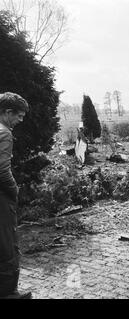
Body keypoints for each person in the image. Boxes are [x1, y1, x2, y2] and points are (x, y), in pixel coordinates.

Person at [0, 92, 32, 299]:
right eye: (18, 116)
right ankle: (8, 292)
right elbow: (2, 170)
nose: (20, 120)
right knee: (7, 242)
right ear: (7, 112)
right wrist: (14, 190)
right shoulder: (4, 133)